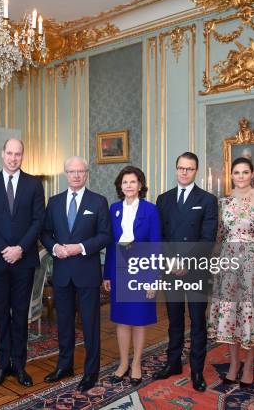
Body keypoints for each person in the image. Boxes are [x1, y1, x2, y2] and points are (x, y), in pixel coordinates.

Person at [0, 138, 45, 388]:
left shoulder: (34, 184)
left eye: (18, 154)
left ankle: (19, 366)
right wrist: (4, 249)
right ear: (2, 154)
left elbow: (39, 220)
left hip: (24, 261)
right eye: (9, 153)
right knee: (1, 315)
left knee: (20, 314)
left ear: (22, 156)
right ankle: (1, 365)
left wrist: (20, 249)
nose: (13, 158)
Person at [41, 156, 112, 392]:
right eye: (72, 171)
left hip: (87, 272)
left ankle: (91, 372)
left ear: (87, 174)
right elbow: (45, 233)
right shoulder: (54, 202)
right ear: (65, 173)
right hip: (62, 273)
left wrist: (79, 247)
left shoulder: (98, 201)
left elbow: (105, 235)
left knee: (91, 324)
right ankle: (65, 365)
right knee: (64, 323)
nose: (76, 175)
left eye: (80, 171)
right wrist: (54, 247)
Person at [153, 151, 218, 392]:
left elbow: (207, 238)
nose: (184, 172)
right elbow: (159, 236)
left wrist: (185, 263)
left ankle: (197, 370)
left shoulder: (208, 199)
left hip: (195, 270)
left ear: (196, 171)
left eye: (189, 169)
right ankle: (173, 363)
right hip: (171, 270)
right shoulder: (164, 199)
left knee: (198, 321)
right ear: (176, 168)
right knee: (174, 320)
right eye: (181, 167)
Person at [208, 156, 254, 388]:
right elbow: (220, 236)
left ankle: (249, 364)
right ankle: (234, 364)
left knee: (250, 315)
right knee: (229, 316)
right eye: (237, 172)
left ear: (252, 174)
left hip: (251, 262)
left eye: (245, 172)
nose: (241, 176)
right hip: (228, 263)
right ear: (231, 175)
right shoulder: (225, 201)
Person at [103, 166, 161, 386]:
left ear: (140, 185)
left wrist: (153, 279)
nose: (128, 186)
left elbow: (156, 245)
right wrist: (107, 274)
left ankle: (136, 363)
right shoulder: (114, 209)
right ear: (120, 186)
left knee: (138, 320)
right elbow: (110, 244)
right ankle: (123, 363)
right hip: (119, 272)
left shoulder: (150, 210)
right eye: (125, 182)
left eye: (133, 182)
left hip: (143, 270)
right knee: (122, 320)